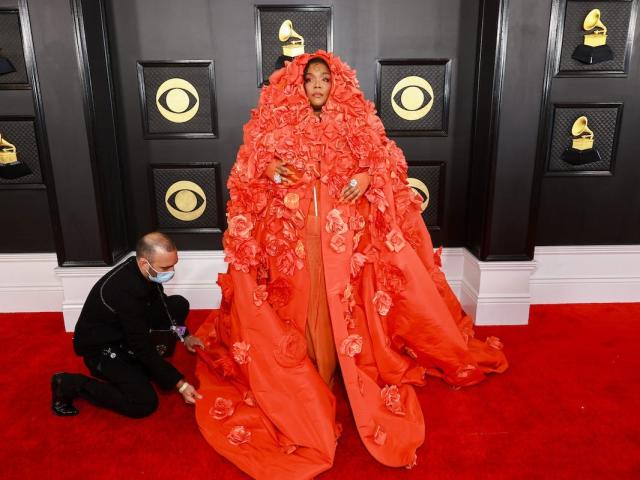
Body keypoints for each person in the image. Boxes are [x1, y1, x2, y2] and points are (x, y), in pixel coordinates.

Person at [192, 51, 508, 479]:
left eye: (325, 79)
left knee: (339, 299)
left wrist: (365, 176)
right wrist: (271, 167)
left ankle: (339, 362)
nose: (318, 86)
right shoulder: (273, 124)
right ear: (296, 86)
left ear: (337, 84)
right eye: (310, 80)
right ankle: (309, 370)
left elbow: (384, 163)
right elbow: (247, 167)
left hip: (343, 240)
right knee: (302, 301)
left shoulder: (358, 122)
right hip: (295, 237)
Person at [51, 232, 204, 418]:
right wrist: (181, 384)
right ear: (143, 263)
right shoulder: (123, 291)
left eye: (173, 265)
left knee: (177, 304)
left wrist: (185, 335)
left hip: (127, 329)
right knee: (143, 403)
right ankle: (69, 383)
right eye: (165, 267)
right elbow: (140, 345)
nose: (171, 271)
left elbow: (162, 306)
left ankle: (147, 367)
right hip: (102, 347)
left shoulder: (145, 273)